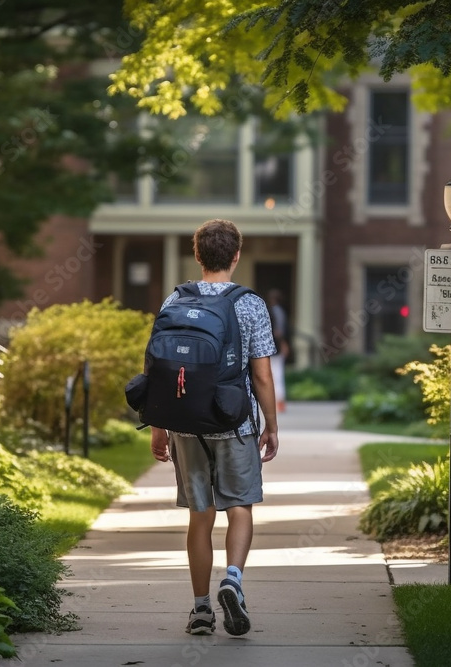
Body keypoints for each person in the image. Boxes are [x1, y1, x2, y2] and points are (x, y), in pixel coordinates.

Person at [149, 218, 280, 636]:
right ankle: (233, 580)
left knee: (199, 515)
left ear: (198, 255)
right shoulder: (250, 304)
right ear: (236, 256)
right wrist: (271, 424)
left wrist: (158, 425)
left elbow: (159, 368)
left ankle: (201, 610)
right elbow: (261, 375)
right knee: (240, 506)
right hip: (233, 420)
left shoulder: (174, 300)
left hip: (186, 426)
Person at [266, 289, 290, 413]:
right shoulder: (281, 312)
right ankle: (279, 401)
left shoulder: (271, 312)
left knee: (274, 375)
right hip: (278, 347)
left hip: (272, 347)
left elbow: (278, 332)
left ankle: (278, 401)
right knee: (278, 374)